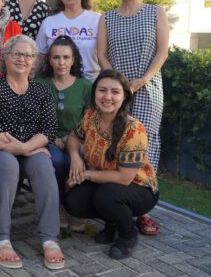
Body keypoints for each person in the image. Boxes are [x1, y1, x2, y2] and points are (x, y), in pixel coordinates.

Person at [0, 35, 64, 270]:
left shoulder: (42, 91)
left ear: (34, 61)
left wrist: (25, 148)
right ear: (6, 57)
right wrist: (20, 147)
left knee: (44, 166)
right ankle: (0, 238)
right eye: (16, 53)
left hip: (29, 147)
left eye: (27, 55)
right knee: (8, 164)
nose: (22, 59)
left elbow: (49, 129)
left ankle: (49, 237)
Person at [96, 0, 169, 236]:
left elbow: (162, 52)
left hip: (147, 87)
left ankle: (144, 211)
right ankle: (116, 207)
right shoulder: (107, 17)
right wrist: (117, 82)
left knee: (146, 142)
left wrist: (141, 80)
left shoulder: (154, 12)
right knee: (115, 141)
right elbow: (101, 54)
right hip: (115, 90)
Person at [64, 69, 159, 260]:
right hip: (106, 184)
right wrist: (75, 156)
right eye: (102, 90)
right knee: (73, 201)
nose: (107, 97)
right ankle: (112, 222)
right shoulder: (91, 116)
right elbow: (74, 137)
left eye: (115, 92)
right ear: (95, 93)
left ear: (124, 96)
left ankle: (128, 234)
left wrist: (86, 175)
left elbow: (124, 178)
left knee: (106, 195)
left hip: (139, 188)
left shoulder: (134, 129)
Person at [36, 36, 92, 231]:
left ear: (74, 59)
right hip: (47, 139)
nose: (61, 62)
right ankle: (58, 206)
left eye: (66, 57)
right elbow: (34, 119)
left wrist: (71, 138)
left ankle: (77, 208)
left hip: (78, 138)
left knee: (85, 158)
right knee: (58, 161)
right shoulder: (40, 83)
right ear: (49, 60)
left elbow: (88, 121)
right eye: (56, 57)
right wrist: (53, 138)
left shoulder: (85, 86)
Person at [36, 0, 101, 81]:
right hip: (57, 84)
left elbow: (105, 55)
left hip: (91, 83)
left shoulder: (97, 20)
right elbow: (39, 57)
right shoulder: (49, 22)